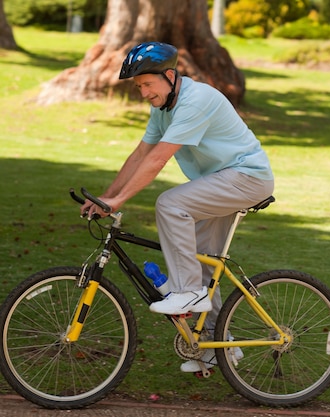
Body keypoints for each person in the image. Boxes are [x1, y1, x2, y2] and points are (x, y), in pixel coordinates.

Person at [80, 42, 274, 372]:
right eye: (138, 86)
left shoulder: (195, 101)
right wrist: (106, 198)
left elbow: (157, 159)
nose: (143, 93)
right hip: (220, 182)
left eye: (147, 84)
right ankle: (217, 348)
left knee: (170, 204)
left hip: (246, 178)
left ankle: (186, 291)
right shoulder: (163, 108)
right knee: (200, 266)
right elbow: (140, 154)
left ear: (169, 76)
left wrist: (119, 201)